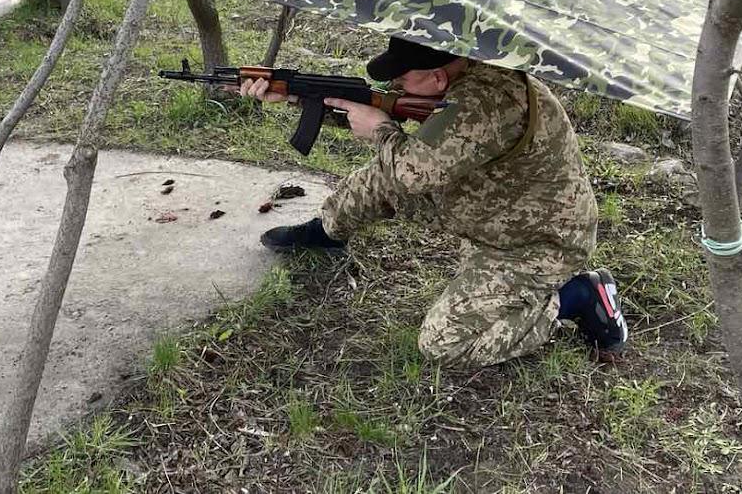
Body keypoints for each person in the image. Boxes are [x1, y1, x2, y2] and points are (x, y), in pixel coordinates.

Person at [239, 36, 627, 368]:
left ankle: (577, 295)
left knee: (444, 344)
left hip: (534, 241)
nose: (395, 85)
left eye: (403, 78)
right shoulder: (465, 70)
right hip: (489, 206)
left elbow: (414, 171)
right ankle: (327, 232)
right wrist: (293, 97)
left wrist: (382, 131)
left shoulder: (486, 101)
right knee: (381, 176)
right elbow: (397, 120)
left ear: (438, 77)